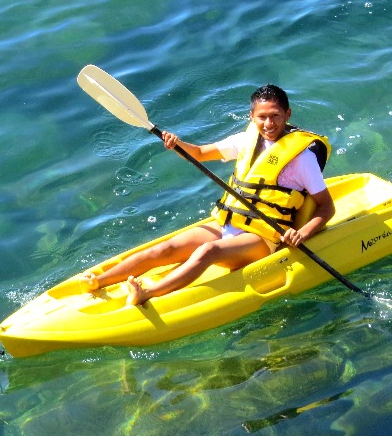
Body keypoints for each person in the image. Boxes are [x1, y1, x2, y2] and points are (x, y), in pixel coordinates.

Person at [83, 84, 335, 306]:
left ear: (287, 114)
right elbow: (200, 153)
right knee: (166, 249)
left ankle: (147, 293)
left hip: (263, 239)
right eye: (262, 117)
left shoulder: (302, 159)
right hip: (230, 223)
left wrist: (302, 233)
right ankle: (100, 280)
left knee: (208, 251)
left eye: (275, 116)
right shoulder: (246, 140)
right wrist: (176, 144)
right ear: (252, 116)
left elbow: (326, 207)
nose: (269, 124)